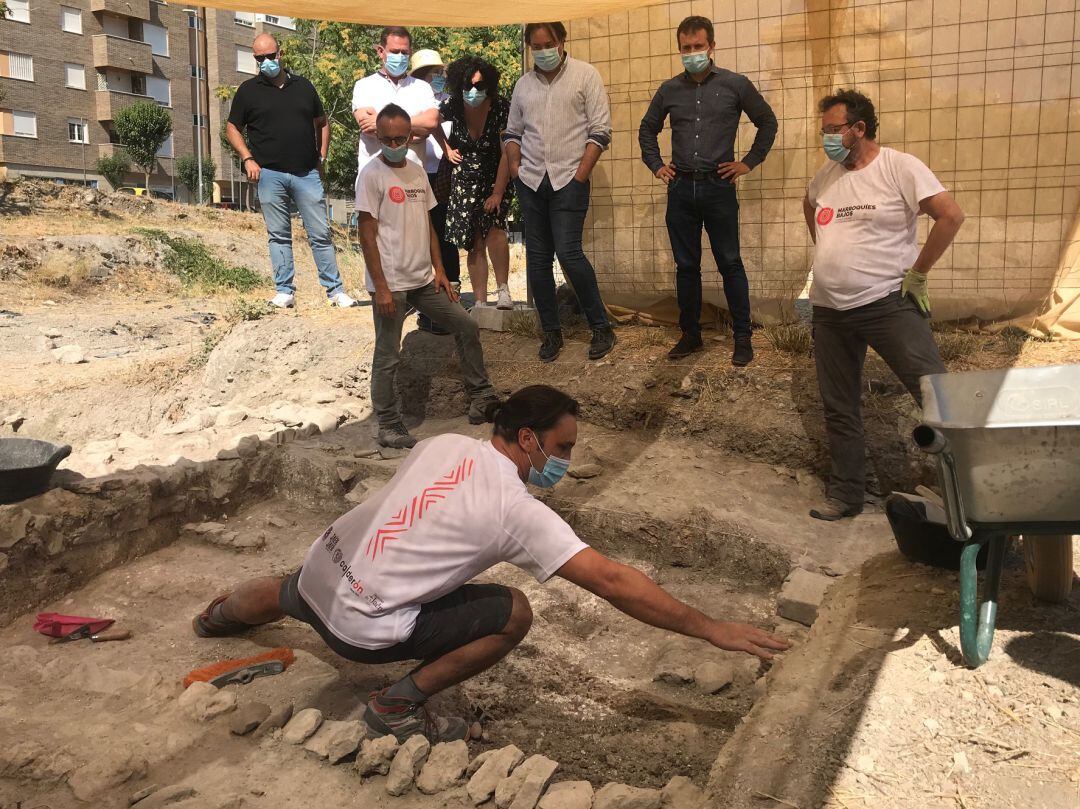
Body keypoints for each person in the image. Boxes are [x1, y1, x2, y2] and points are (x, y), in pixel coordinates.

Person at [191, 384, 790, 743]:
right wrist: (712, 628)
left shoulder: (444, 444)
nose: (564, 461)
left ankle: (217, 617)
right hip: (361, 629)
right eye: (562, 448)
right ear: (528, 440)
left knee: (287, 588)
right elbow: (611, 580)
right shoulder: (513, 507)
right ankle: (395, 707)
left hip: (321, 568)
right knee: (514, 612)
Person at [803, 89, 964, 521]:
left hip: (888, 303)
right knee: (839, 405)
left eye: (833, 130)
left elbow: (950, 215)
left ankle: (968, 495)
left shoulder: (899, 167)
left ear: (859, 128)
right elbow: (810, 205)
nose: (827, 139)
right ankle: (847, 495)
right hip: (829, 311)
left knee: (935, 395)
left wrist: (918, 272)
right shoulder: (827, 176)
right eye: (823, 132)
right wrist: (829, 259)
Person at [356, 104, 500, 448]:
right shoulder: (371, 175)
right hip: (390, 285)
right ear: (378, 136)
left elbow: (430, 226)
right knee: (388, 353)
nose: (393, 143)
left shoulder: (418, 172)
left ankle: (482, 397)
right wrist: (382, 288)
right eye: (386, 138)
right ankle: (389, 424)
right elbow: (366, 234)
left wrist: (441, 272)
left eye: (399, 138)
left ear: (410, 136)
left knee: (465, 325)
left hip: (423, 280)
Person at [638, 16, 777, 366]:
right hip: (681, 188)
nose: (692, 53)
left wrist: (748, 162)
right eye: (686, 48)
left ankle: (742, 338)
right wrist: (657, 165)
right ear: (679, 49)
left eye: (698, 46)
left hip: (719, 187)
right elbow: (647, 130)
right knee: (686, 266)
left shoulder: (736, 85)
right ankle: (691, 335)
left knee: (730, 262)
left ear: (712, 46)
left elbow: (768, 122)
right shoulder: (669, 90)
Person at [503, 21, 616, 363]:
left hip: (569, 179)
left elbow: (600, 130)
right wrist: (514, 168)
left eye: (548, 43)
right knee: (537, 260)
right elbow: (511, 133)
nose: (543, 51)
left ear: (562, 40)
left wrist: (581, 174)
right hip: (532, 180)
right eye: (536, 46)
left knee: (569, 254)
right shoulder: (523, 85)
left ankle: (601, 327)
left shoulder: (586, 75)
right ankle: (551, 333)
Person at [226, 33, 357, 309]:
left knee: (320, 233)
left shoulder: (304, 87)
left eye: (270, 56)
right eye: (259, 58)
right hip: (269, 174)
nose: (266, 62)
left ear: (280, 54)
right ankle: (284, 291)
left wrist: (321, 156)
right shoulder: (248, 91)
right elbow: (232, 127)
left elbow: (322, 122)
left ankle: (335, 291)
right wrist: (247, 158)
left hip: (306, 172)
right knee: (278, 234)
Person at [436, 56, 514, 310]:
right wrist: (446, 148)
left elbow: (507, 152)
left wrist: (498, 193)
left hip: (496, 175)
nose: (473, 91)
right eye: (467, 86)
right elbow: (431, 122)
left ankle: (503, 291)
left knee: (495, 231)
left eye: (479, 86)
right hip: (464, 180)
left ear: (489, 85)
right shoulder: (452, 105)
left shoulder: (502, 107)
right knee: (473, 241)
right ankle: (480, 301)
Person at [351, 26, 439, 191]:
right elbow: (367, 126)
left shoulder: (422, 87)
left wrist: (383, 126)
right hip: (374, 181)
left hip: (414, 183)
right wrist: (414, 132)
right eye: (394, 51)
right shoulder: (364, 86)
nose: (400, 57)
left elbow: (432, 122)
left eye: (404, 53)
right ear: (380, 51)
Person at [409, 48, 462, 305]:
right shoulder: (412, 101)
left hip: (444, 177)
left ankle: (452, 284)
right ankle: (417, 291)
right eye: (433, 73)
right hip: (416, 173)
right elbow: (417, 133)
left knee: (445, 233)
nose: (438, 77)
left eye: (440, 72)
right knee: (416, 234)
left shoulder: (451, 102)